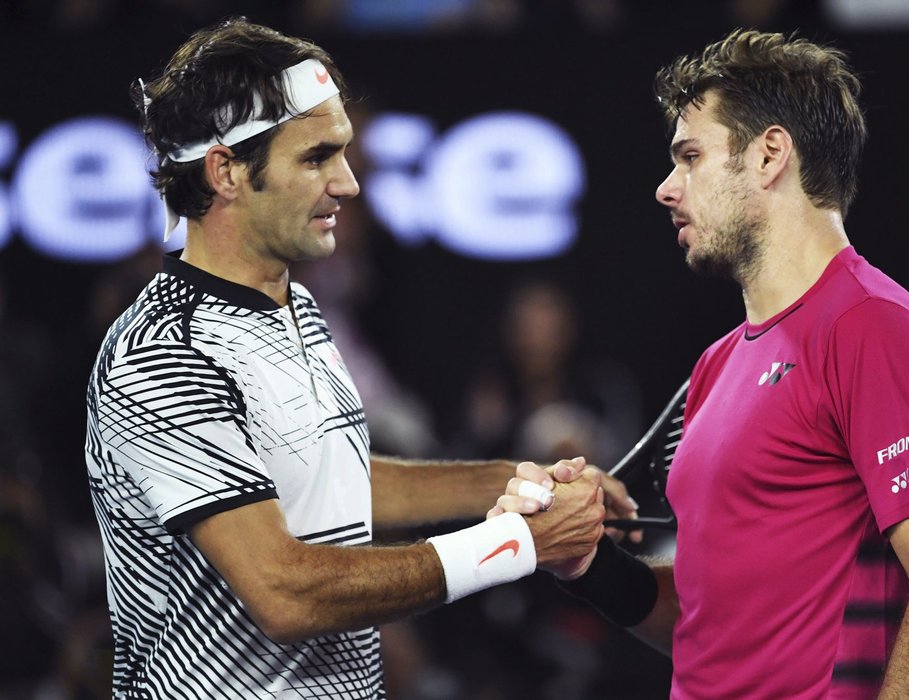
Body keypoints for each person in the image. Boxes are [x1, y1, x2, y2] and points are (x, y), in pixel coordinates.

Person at [84, 18, 633, 699]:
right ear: (225, 170)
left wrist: (522, 481)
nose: (347, 184)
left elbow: (333, 482)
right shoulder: (162, 352)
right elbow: (284, 593)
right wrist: (519, 546)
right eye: (316, 157)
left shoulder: (299, 311)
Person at [497, 29, 909, 698]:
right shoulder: (715, 366)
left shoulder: (873, 325)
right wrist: (591, 566)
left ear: (769, 155)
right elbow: (708, 625)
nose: (667, 189)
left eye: (690, 156)